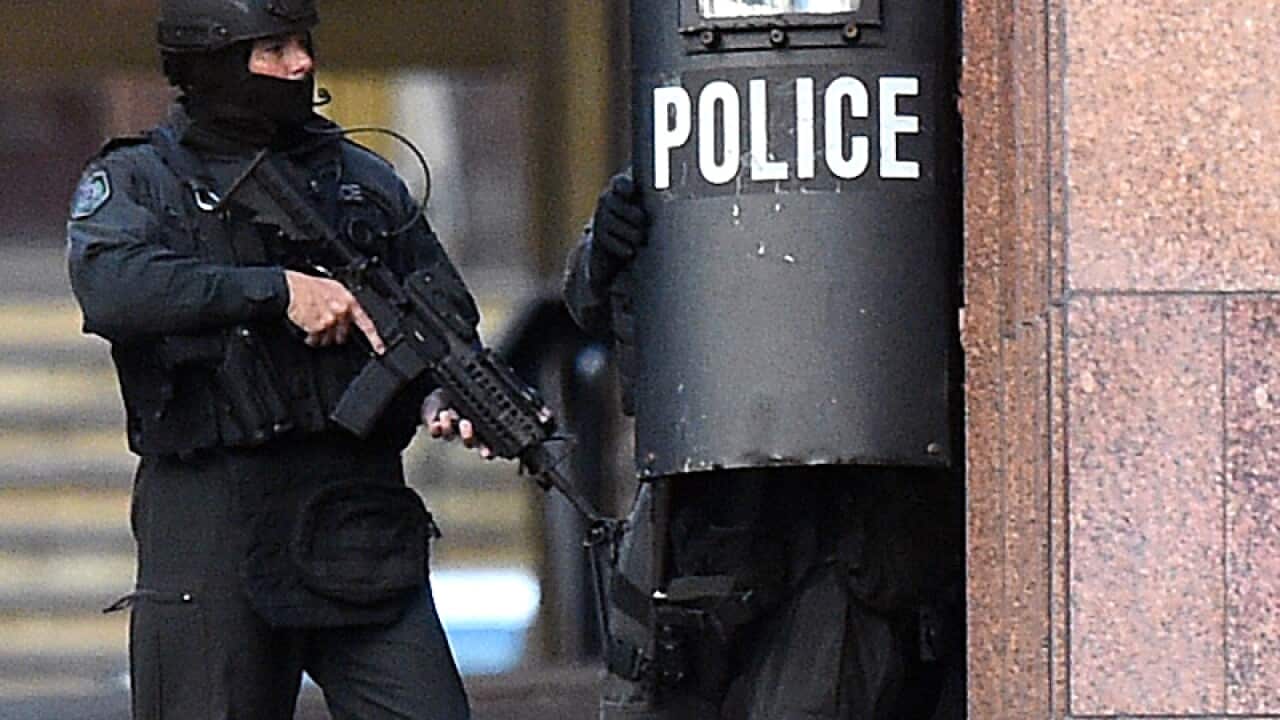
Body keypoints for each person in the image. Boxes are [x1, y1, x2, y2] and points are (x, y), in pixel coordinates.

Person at [67, 1, 480, 718]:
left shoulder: (363, 180)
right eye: (273, 49)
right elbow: (111, 287)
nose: (301, 64)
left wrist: (444, 393)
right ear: (212, 61)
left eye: (303, 43)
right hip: (211, 515)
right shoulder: (143, 180)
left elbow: (445, 316)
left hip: (355, 512)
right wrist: (276, 291)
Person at [562, 175, 966, 720]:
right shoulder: (693, 140)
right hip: (713, 507)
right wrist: (604, 253)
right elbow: (587, 298)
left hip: (847, 517)